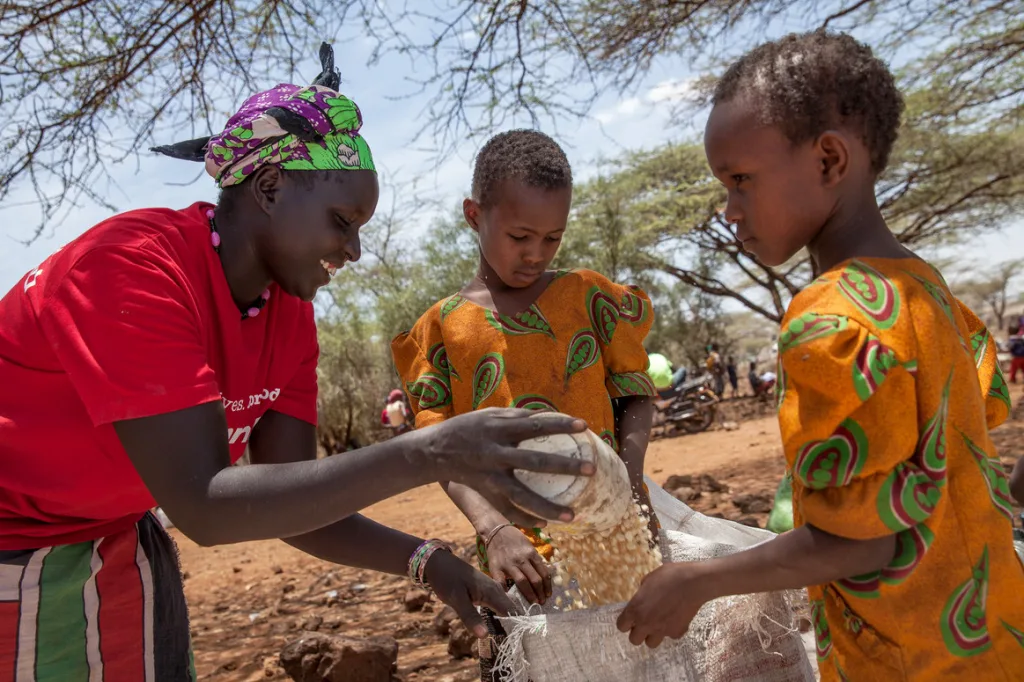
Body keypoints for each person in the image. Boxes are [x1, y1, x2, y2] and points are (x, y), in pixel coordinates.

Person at [0, 45, 595, 680]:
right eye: (343, 221)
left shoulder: (287, 312)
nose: (355, 249)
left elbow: (287, 500)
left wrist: (432, 562)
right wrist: (431, 453)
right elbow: (205, 505)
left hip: (113, 539)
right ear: (270, 187)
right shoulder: (131, 270)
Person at [616, 30, 1024, 680]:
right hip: (992, 636)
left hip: (902, 661)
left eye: (741, 181)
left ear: (830, 160)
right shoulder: (929, 290)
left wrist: (695, 582)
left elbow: (864, 541)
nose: (729, 211)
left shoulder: (828, 317)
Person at [391, 129, 658, 681]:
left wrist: (630, 487)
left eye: (552, 238)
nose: (536, 254)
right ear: (473, 214)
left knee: (637, 661)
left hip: (615, 532)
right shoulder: (441, 330)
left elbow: (634, 392)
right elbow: (440, 450)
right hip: (519, 556)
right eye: (519, 236)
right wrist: (494, 531)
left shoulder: (589, 299)